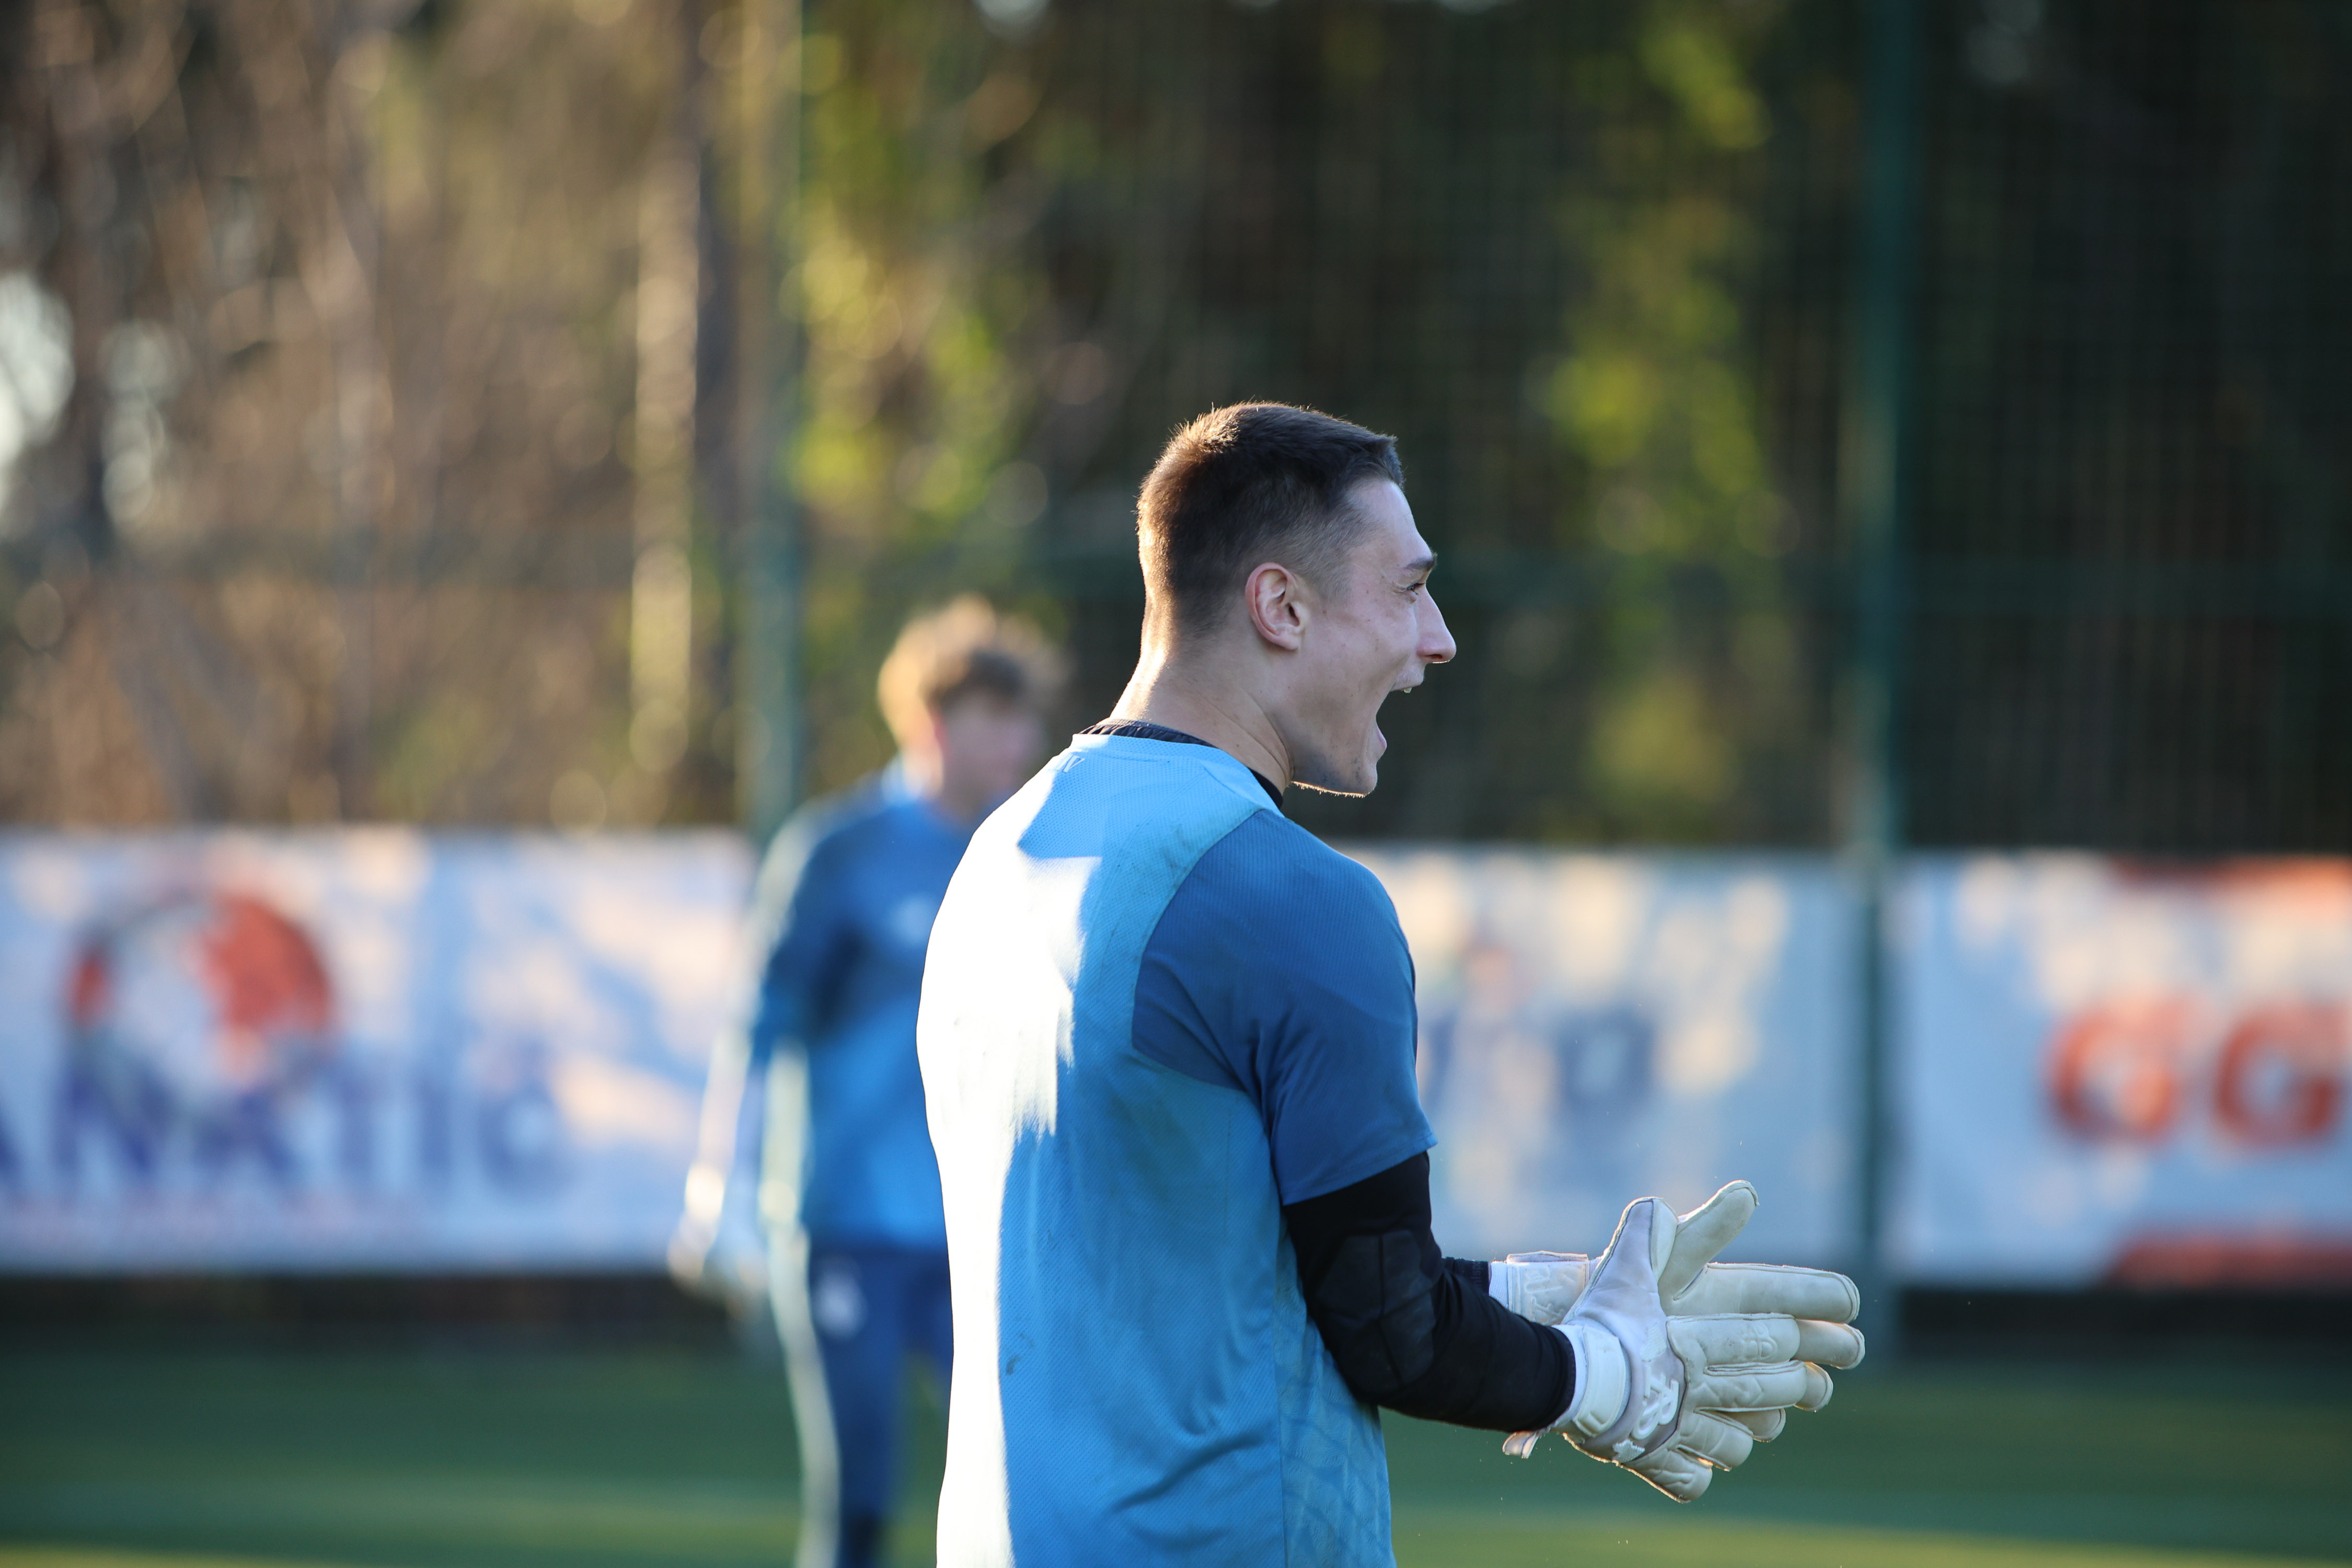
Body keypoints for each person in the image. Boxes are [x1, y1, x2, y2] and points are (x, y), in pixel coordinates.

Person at [917, 405, 1865, 1565]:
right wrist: (1609, 1374)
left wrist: (1535, 1298)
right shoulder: (1291, 899)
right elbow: (1389, 1327)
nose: (1440, 638)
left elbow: (1212, 1262)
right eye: (1410, 588)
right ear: (1281, 607)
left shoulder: (996, 859)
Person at [673, 597, 1057, 1568]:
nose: (1019, 741)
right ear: (933, 723)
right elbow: (759, 1027)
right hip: (849, 1226)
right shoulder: (839, 851)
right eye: (995, 717)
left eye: (1023, 719)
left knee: (1024, 1495)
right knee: (862, 1499)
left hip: (978, 1235)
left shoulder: (1027, 854)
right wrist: (718, 1184)